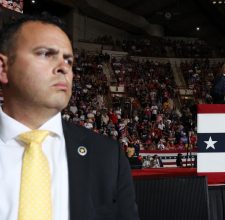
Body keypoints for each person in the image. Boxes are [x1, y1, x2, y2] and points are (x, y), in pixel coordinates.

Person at [0, 15, 139, 220]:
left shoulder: (108, 157)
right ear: (3, 68)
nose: (64, 67)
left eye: (69, 60)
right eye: (46, 54)